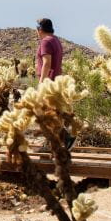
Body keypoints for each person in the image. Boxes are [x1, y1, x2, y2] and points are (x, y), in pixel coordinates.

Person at [34, 18, 75, 150]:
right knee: (51, 113)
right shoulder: (56, 40)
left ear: (40, 29)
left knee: (45, 114)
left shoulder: (45, 41)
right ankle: (52, 143)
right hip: (55, 81)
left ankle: (65, 139)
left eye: (37, 29)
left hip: (49, 82)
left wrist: (41, 83)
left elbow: (47, 63)